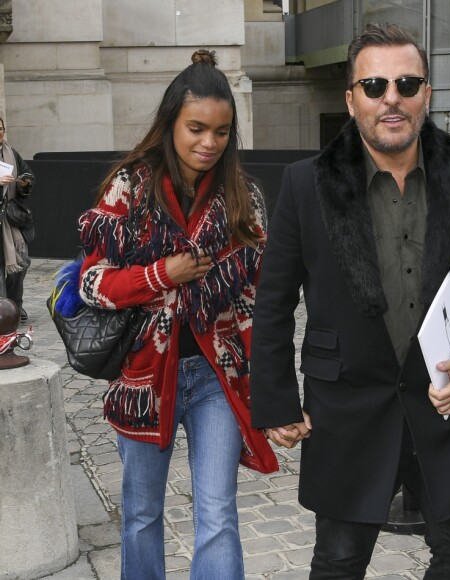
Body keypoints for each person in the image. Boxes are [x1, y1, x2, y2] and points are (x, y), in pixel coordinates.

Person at [250, 23, 450, 580]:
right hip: (347, 404)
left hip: (445, 401)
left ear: (427, 94)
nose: (390, 97)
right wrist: (275, 400)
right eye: (373, 86)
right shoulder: (306, 184)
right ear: (350, 100)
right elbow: (273, 300)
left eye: (406, 82)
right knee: (340, 559)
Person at [77, 50, 278, 579]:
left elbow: (257, 301)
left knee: (218, 513)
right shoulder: (130, 188)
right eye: (195, 128)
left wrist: (271, 388)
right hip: (145, 376)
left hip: (217, 377)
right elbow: (92, 284)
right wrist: (163, 274)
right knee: (142, 516)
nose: (208, 143)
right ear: (171, 123)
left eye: (221, 131)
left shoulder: (244, 198)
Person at [0, 117, 35, 322]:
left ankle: (13, 306)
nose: (0, 133)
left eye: (2, 129)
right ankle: (3, 312)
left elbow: (28, 174)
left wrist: (24, 183)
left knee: (19, 265)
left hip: (11, 220)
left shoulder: (11, 153)